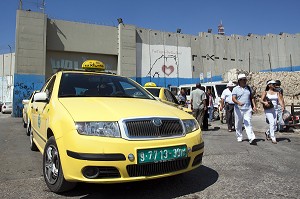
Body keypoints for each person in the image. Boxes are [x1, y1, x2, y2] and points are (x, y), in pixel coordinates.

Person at [232, 74, 257, 144]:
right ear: (239, 81)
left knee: (248, 122)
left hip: (247, 108)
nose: (245, 81)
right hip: (238, 109)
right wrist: (238, 102)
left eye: (245, 79)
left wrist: (254, 106)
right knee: (238, 123)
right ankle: (239, 136)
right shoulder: (235, 89)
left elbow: (252, 97)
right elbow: (233, 98)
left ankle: (251, 137)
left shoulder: (248, 88)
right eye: (243, 80)